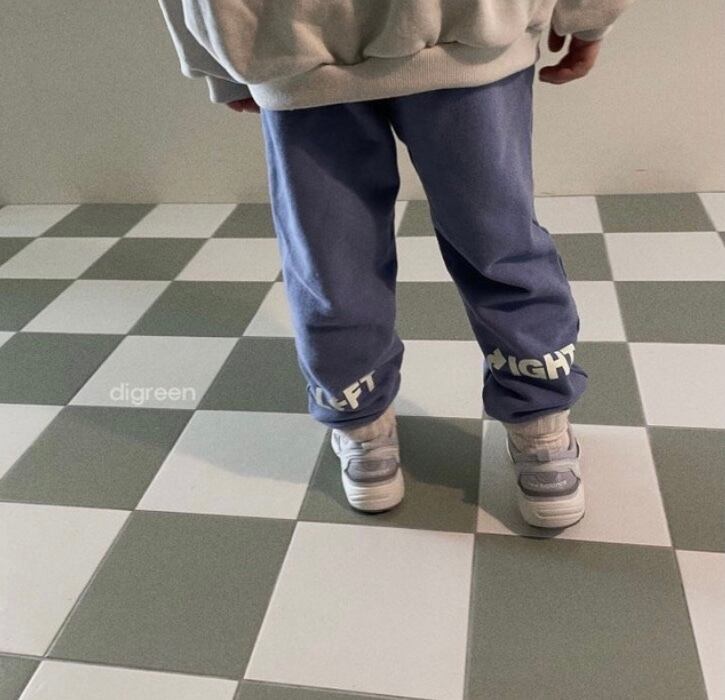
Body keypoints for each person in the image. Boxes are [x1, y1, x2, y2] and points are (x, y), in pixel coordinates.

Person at [157, 0, 635, 528]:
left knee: (498, 241)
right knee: (332, 260)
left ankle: (539, 417)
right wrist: (214, 51)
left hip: (463, 28)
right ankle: (361, 416)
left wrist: (589, 10)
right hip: (293, 41)